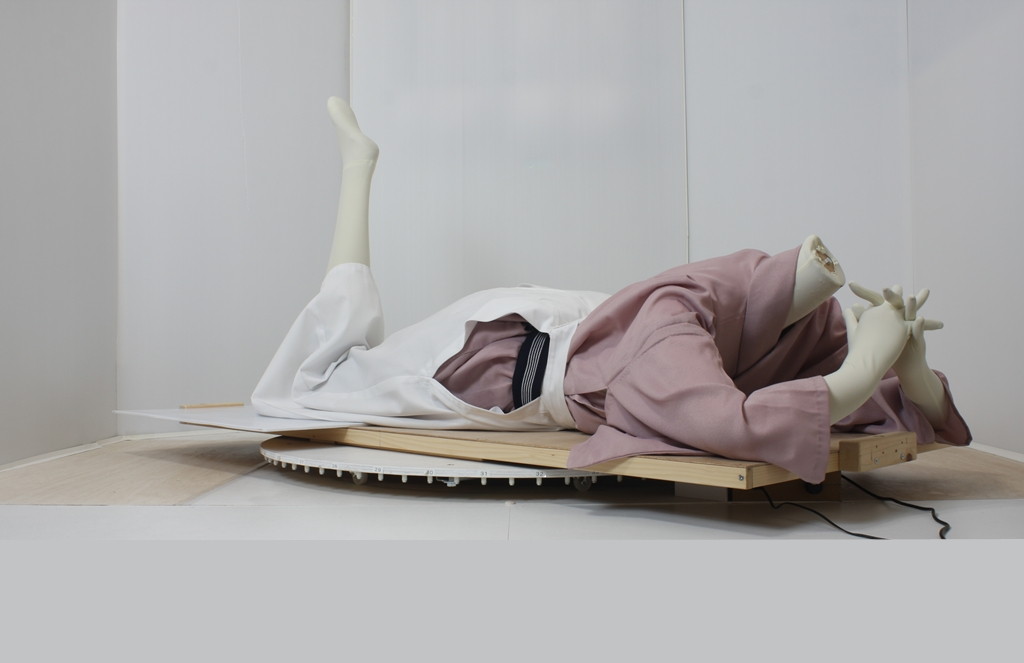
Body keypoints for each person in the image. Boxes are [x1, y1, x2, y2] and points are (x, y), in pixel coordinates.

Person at [252, 97, 971, 484]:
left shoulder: (777, 335)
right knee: (310, 385)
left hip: (536, 335)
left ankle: (358, 169)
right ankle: (358, 167)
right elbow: (745, 421)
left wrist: (901, 367)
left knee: (332, 361)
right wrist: (863, 366)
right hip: (503, 358)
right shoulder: (673, 330)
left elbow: (875, 409)